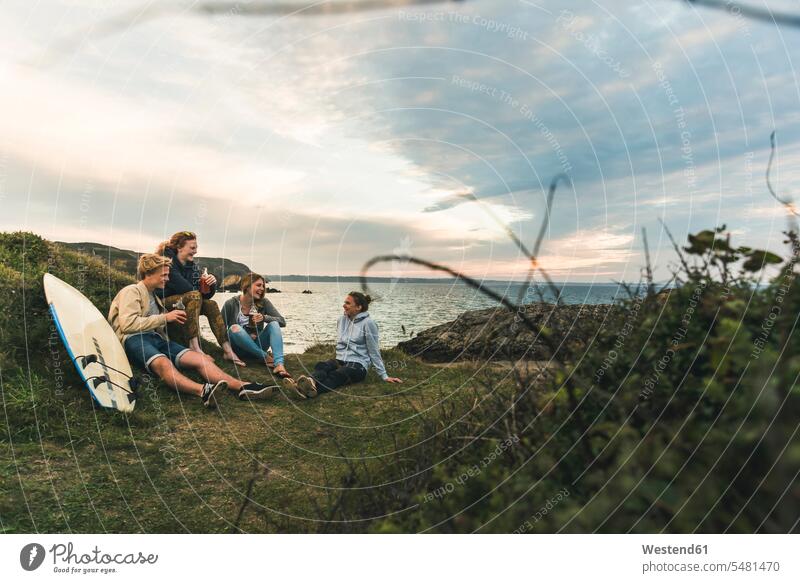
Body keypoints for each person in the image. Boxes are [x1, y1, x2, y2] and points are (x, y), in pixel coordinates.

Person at [108, 253, 276, 406]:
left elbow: (159, 322)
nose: (167, 278)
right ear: (149, 273)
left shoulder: (155, 297)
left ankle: (243, 387)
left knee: (201, 360)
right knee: (163, 363)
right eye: (164, 275)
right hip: (134, 339)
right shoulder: (131, 291)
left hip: (157, 339)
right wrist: (165, 317)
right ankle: (203, 390)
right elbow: (127, 324)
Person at [155, 231, 244, 366]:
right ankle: (194, 347)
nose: (195, 251)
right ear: (179, 248)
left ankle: (227, 350)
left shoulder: (192, 266)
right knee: (194, 295)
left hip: (184, 300)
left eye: (196, 248)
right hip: (162, 302)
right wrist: (198, 287)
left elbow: (204, 295)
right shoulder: (166, 262)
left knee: (211, 304)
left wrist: (211, 284)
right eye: (192, 248)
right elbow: (185, 288)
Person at [292, 292, 402, 398]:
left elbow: (374, 351)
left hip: (358, 365)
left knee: (338, 374)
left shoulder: (368, 323)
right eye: (345, 302)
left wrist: (384, 376)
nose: (344, 305)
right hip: (341, 360)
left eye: (348, 303)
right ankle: (309, 382)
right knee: (322, 365)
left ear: (358, 307)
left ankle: (308, 390)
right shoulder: (341, 320)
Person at [221, 273, 292, 379]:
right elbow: (220, 329)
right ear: (247, 286)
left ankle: (279, 365)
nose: (262, 288)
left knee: (274, 324)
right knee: (234, 328)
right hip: (238, 349)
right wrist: (228, 350)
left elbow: (282, 321)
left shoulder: (264, 303)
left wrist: (264, 318)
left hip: (258, 344)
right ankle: (265, 357)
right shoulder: (231, 304)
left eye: (263, 286)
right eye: (258, 285)